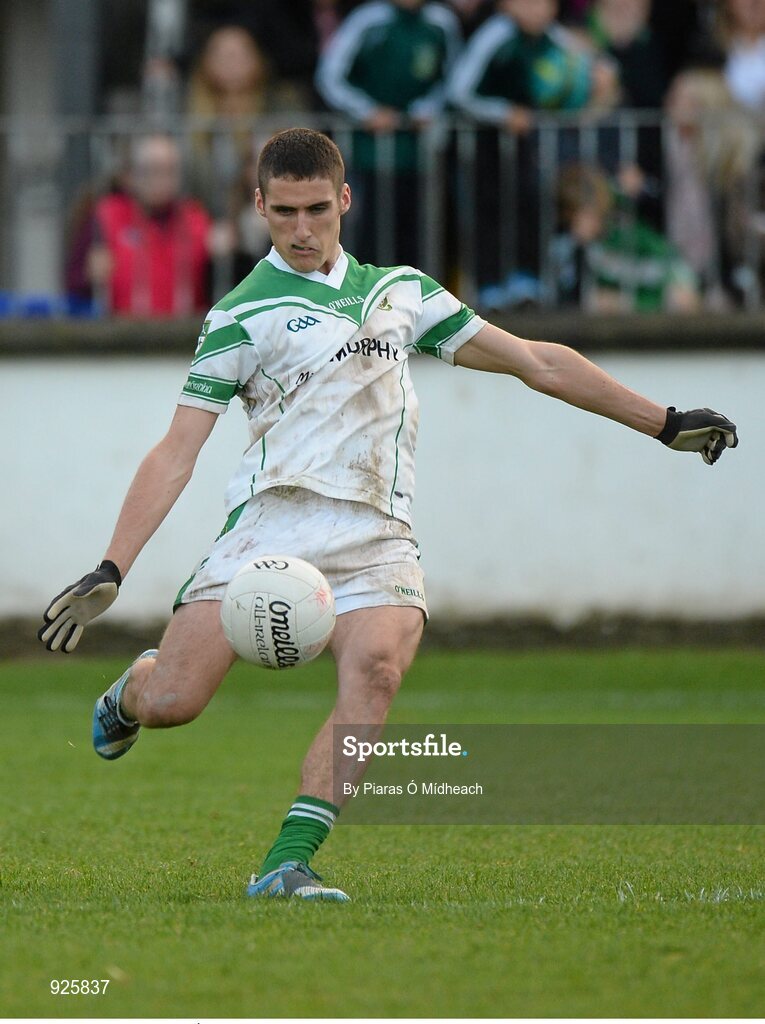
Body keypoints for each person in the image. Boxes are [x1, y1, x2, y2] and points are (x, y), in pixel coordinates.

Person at [38, 128, 738, 903]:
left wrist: (664, 422)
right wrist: (112, 566)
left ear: (344, 201)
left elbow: (534, 360)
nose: (301, 231)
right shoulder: (240, 316)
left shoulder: (400, 293)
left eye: (315, 210)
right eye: (283, 214)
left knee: (373, 673)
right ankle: (129, 692)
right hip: (269, 532)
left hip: (378, 532)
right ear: (259, 207)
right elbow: (177, 450)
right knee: (175, 702)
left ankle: (286, 864)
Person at [315, 0, 462, 267]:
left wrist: (428, 108)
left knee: (419, 232)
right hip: (367, 154)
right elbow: (329, 76)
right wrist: (367, 111)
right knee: (369, 231)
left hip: (421, 154)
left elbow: (453, 79)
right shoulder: (367, 19)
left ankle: (414, 301)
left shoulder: (442, 22)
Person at [87, 134, 212, 317]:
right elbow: (75, 280)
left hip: (185, 334)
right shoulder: (110, 214)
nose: (160, 180)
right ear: (131, 175)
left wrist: (225, 253)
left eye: (169, 171)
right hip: (124, 334)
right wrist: (90, 272)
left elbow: (220, 278)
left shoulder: (195, 218)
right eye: (152, 170)